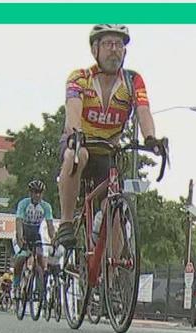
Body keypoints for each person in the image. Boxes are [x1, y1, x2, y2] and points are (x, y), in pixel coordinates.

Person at [55, 24, 167, 247]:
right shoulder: (79, 78)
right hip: (81, 144)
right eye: (108, 44)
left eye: (119, 45)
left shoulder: (132, 81)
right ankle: (66, 223)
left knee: (114, 209)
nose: (114, 49)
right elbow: (73, 110)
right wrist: (75, 133)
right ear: (95, 49)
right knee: (75, 156)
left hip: (108, 152)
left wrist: (151, 138)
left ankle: (116, 275)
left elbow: (143, 110)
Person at [13, 179, 56, 289]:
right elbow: (18, 222)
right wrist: (20, 237)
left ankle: (40, 287)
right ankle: (16, 284)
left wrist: (53, 239)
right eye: (35, 192)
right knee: (21, 258)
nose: (37, 195)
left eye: (40, 192)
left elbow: (50, 226)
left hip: (36, 234)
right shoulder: (24, 203)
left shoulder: (46, 207)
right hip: (23, 231)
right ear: (30, 193)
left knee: (41, 258)